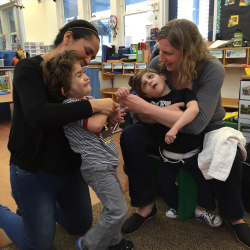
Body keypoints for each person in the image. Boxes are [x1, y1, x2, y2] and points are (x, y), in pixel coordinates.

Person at [115, 19, 250, 248]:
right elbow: (137, 115)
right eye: (160, 51)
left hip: (207, 124)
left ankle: (234, 216)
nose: (161, 57)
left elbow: (196, 124)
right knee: (130, 135)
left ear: (187, 50)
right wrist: (149, 110)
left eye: (168, 52)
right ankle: (146, 205)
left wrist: (149, 109)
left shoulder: (211, 68)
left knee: (230, 148)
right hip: (163, 124)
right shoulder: (158, 63)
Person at [0, 20, 120, 250]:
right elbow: (38, 115)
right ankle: (6, 210)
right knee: (38, 245)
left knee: (80, 225)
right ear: (68, 38)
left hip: (69, 168)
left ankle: (36, 206)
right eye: (87, 52)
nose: (87, 60)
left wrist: (107, 120)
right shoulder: (28, 68)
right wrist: (95, 107)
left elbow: (88, 127)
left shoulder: (75, 79)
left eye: (92, 57)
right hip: (33, 167)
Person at [41, 50, 134, 250]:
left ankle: (113, 241)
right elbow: (94, 126)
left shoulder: (89, 101)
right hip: (96, 166)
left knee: (113, 205)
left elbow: (102, 131)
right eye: (78, 75)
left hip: (106, 161)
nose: (85, 76)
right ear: (64, 90)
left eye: (83, 72)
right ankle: (88, 244)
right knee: (118, 210)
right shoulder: (72, 104)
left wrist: (112, 119)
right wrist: (106, 108)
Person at [117, 69, 222, 225]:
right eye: (144, 84)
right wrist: (123, 94)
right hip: (168, 156)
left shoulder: (183, 93)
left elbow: (193, 110)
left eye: (151, 76)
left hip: (193, 154)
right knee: (164, 187)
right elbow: (136, 110)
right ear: (144, 95)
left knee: (205, 185)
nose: (149, 82)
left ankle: (201, 211)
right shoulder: (149, 103)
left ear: (163, 76)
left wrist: (174, 127)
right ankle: (176, 206)